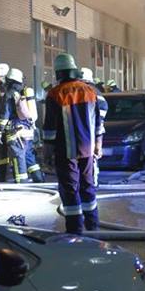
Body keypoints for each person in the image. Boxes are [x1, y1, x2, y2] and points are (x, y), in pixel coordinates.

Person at [43, 54, 105, 234]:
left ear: (59, 72)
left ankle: (75, 230)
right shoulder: (90, 91)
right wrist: (98, 144)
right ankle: (92, 225)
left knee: (70, 189)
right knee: (88, 185)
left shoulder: (55, 94)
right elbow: (98, 122)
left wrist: (47, 154)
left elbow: (50, 129)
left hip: (65, 150)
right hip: (87, 149)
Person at [80, 67, 109, 186]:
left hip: (82, 133)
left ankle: (90, 182)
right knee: (91, 160)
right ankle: (91, 182)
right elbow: (101, 114)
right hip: (91, 134)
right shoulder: (96, 93)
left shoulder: (83, 91)